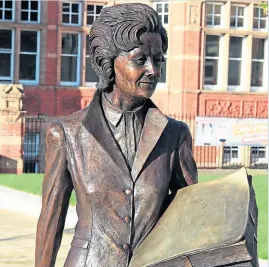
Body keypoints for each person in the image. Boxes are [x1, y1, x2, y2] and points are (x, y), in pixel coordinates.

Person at [35, 3, 197, 267]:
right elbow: (51, 220)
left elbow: (192, 214)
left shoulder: (175, 135)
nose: (153, 71)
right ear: (105, 62)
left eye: (158, 60)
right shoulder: (67, 135)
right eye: (140, 59)